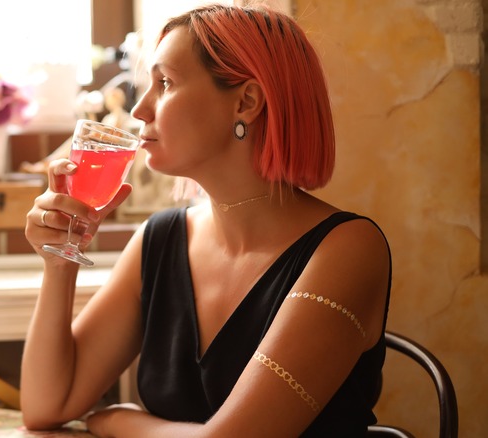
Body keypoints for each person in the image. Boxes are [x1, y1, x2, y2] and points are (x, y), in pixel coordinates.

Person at [21, 3, 392, 437]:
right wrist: (59, 262)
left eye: (164, 83)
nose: (140, 109)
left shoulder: (348, 250)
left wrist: (119, 420)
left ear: (246, 102)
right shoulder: (159, 239)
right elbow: (46, 406)